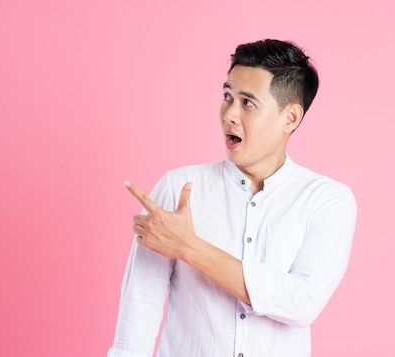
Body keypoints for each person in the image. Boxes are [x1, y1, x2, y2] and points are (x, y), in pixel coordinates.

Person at [108, 39, 357, 357]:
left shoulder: (327, 200)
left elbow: (302, 303)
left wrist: (189, 247)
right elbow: (140, 303)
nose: (229, 114)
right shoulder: (178, 187)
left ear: (290, 118)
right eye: (227, 97)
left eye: (247, 103)